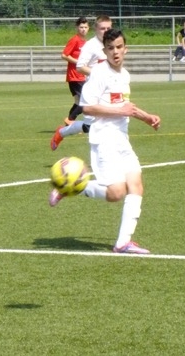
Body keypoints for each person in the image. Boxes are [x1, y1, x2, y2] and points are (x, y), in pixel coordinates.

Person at [49, 29, 161, 254]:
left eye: (119, 47)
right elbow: (87, 108)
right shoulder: (99, 73)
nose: (115, 52)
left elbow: (125, 106)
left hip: (122, 139)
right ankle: (72, 188)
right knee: (116, 193)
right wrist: (120, 111)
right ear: (105, 51)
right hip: (104, 139)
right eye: (110, 48)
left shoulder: (124, 75)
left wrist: (147, 117)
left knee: (136, 185)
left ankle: (122, 243)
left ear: (125, 49)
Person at [51, 15, 113, 151]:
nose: (106, 31)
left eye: (108, 28)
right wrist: (98, 74)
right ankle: (62, 131)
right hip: (91, 89)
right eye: (103, 28)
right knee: (89, 126)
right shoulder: (90, 45)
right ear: (96, 29)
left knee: (111, 123)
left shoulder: (112, 43)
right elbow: (79, 66)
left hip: (109, 90)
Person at [59, 17, 89, 126]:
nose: (83, 29)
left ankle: (69, 124)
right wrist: (78, 62)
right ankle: (70, 120)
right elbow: (64, 55)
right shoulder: (75, 40)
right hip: (75, 76)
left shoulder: (85, 42)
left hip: (81, 76)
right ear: (77, 28)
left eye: (85, 27)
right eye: (81, 27)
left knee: (78, 102)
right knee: (84, 102)